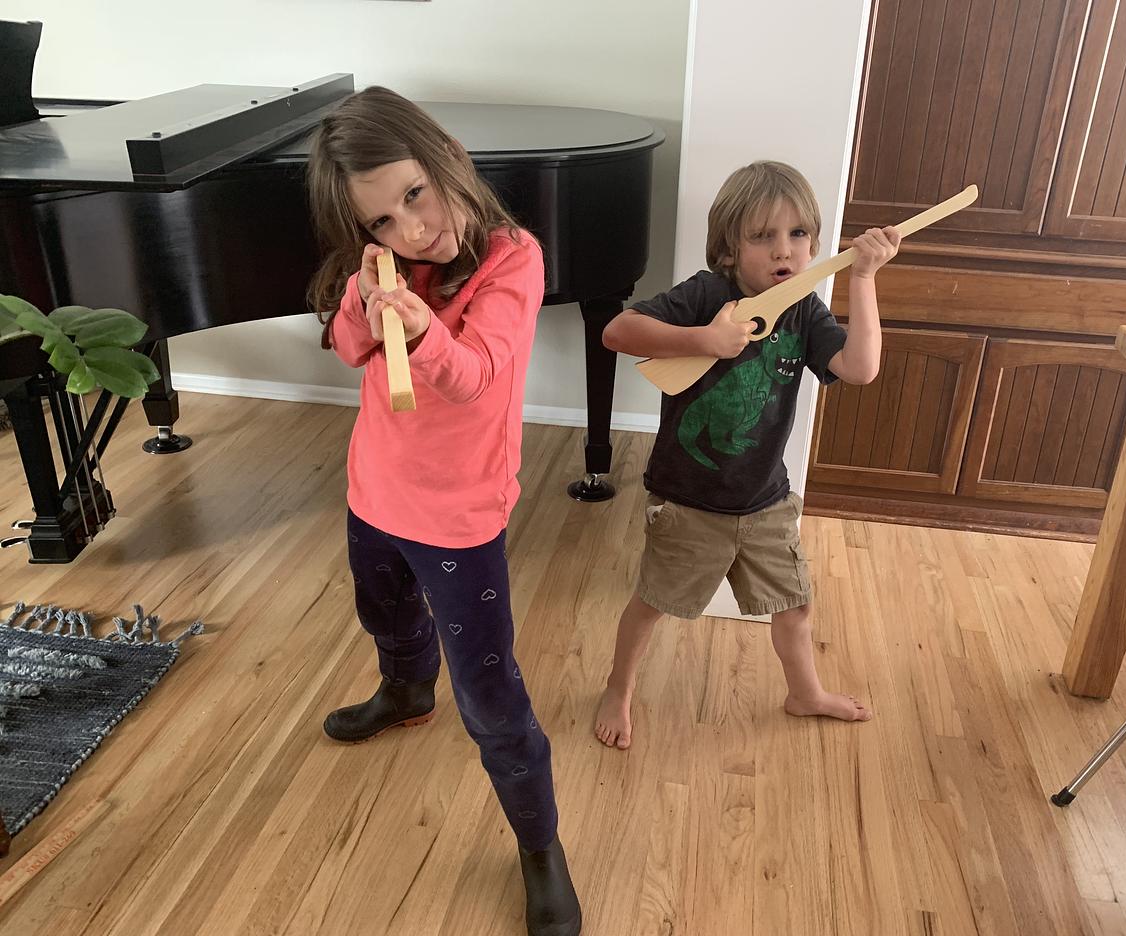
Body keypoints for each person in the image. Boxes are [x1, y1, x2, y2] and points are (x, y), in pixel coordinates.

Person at [307, 86, 579, 936]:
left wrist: (423, 330)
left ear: (447, 155)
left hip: (460, 516)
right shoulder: (385, 262)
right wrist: (364, 289)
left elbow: (478, 374)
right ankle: (404, 689)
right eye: (382, 223)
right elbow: (350, 347)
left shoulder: (512, 257)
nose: (411, 230)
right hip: (374, 489)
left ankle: (539, 845)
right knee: (381, 609)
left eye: (415, 195)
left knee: (492, 696)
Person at [593, 160, 899, 751]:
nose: (783, 249)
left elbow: (860, 370)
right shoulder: (708, 294)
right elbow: (617, 332)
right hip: (688, 501)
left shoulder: (805, 310)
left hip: (765, 501)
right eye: (763, 236)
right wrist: (702, 338)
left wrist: (863, 280)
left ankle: (804, 692)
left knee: (794, 608)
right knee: (653, 604)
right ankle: (618, 686)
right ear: (730, 249)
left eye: (797, 235)